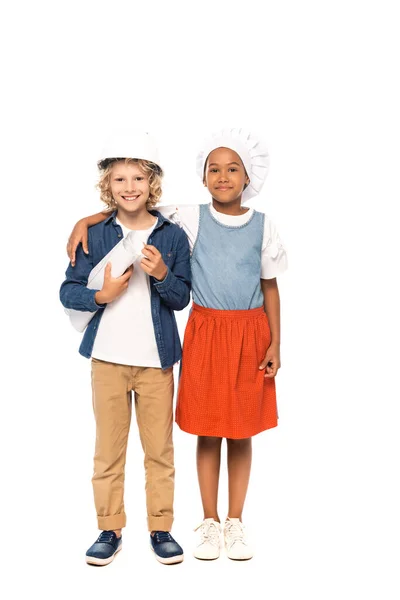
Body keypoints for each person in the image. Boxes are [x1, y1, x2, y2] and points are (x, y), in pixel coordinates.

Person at [66, 128, 288, 561]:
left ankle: (207, 524)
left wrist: (276, 342)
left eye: (233, 169)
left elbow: (252, 288)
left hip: (213, 345)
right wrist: (85, 223)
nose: (223, 176)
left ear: (248, 177)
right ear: (203, 178)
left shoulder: (225, 227)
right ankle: (151, 526)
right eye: (214, 169)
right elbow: (128, 211)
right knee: (156, 440)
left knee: (213, 437)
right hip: (170, 343)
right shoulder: (182, 216)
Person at [60, 131, 191, 566]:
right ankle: (109, 528)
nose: (129, 187)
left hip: (156, 363)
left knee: (159, 451)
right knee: (108, 449)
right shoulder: (96, 234)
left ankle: (161, 528)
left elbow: (181, 297)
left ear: (152, 182)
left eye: (138, 178)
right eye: (120, 180)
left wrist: (161, 274)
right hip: (108, 361)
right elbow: (68, 290)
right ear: (108, 186)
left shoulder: (171, 234)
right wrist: (101, 296)